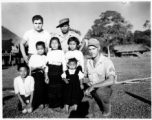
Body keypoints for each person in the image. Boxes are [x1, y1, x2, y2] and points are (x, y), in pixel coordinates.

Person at [84, 38, 116, 117]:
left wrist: (93, 86)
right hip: (91, 88)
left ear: (99, 48)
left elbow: (111, 80)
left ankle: (107, 108)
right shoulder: (88, 62)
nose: (91, 51)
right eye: (89, 49)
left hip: (102, 89)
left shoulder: (106, 61)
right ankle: (95, 101)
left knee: (100, 93)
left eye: (94, 49)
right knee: (84, 110)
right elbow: (85, 77)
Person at [45, 37, 66, 111]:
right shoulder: (49, 53)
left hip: (59, 71)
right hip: (51, 72)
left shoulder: (61, 52)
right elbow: (47, 65)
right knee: (52, 88)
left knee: (59, 87)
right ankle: (52, 104)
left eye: (56, 43)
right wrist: (46, 75)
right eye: (52, 43)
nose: (54, 44)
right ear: (50, 44)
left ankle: (60, 103)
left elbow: (64, 62)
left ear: (59, 44)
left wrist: (64, 72)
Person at [28, 41, 47, 109]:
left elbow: (44, 68)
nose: (40, 50)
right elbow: (30, 67)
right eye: (38, 49)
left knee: (41, 88)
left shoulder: (45, 57)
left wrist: (46, 76)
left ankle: (41, 102)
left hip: (40, 74)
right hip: (33, 74)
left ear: (44, 49)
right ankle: (34, 102)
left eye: (41, 48)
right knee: (34, 88)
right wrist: (29, 76)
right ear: (36, 49)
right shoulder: (33, 56)